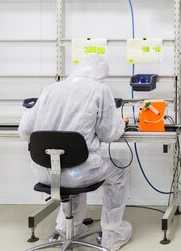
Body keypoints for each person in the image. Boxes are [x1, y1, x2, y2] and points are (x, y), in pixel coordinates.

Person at [19, 55, 131, 251]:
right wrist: (122, 123)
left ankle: (66, 228)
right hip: (77, 174)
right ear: (100, 76)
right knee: (118, 173)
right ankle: (112, 233)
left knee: (71, 163)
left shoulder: (51, 89)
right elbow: (110, 133)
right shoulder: (100, 90)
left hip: (45, 171)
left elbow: (25, 130)